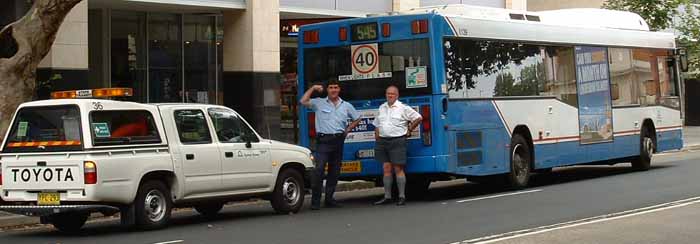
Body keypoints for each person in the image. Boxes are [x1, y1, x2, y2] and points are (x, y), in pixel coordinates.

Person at [300, 80, 361, 210]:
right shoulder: (319, 102)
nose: (333, 90)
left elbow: (357, 118)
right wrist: (313, 87)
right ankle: (315, 202)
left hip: (338, 140)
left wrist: (348, 129)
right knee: (319, 170)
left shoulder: (346, 105)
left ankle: (329, 199)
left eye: (336, 87)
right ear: (327, 90)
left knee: (334, 171)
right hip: (323, 141)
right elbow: (303, 101)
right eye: (331, 87)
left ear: (339, 89)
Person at [372, 85, 423, 206]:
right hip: (383, 141)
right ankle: (387, 196)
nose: (390, 96)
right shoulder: (382, 107)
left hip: (398, 140)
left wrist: (409, 129)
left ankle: (401, 196)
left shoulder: (403, 108)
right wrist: (377, 136)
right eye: (388, 93)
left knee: (398, 169)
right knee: (386, 169)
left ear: (397, 95)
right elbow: (377, 124)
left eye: (392, 94)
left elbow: (418, 117)